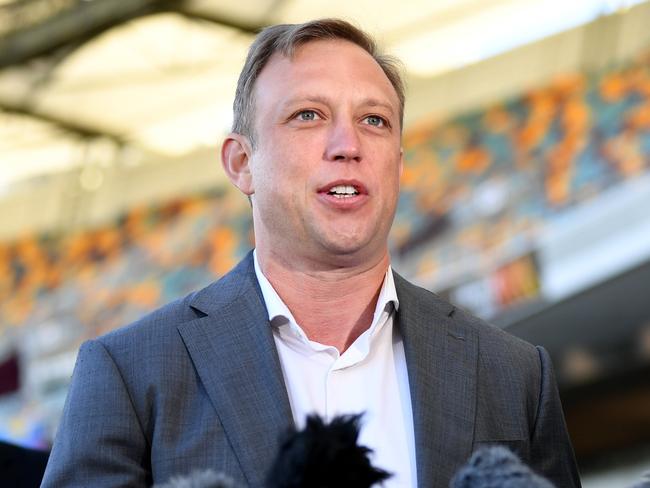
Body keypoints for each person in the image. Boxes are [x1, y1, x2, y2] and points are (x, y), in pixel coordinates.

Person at [41, 19, 581, 488]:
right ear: (241, 163)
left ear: (397, 162)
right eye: (308, 115)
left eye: (374, 120)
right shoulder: (130, 372)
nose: (347, 144)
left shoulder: (515, 376)